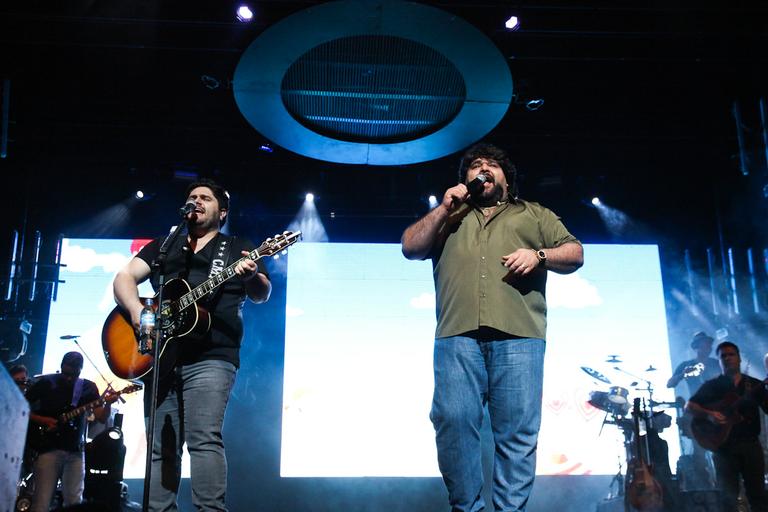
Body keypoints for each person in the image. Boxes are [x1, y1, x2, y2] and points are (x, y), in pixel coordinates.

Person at [401, 142, 583, 512]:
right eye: (475, 166)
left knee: (517, 433)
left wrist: (539, 255)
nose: (483, 170)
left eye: (492, 165)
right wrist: (443, 208)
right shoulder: (450, 217)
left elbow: (575, 253)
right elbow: (410, 247)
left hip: (519, 336)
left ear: (506, 178)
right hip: (457, 335)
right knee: (452, 420)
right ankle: (466, 509)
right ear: (465, 179)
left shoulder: (533, 214)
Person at [113, 178, 271, 511]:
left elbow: (262, 293)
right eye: (192, 197)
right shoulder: (167, 244)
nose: (197, 201)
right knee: (161, 446)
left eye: (206, 198)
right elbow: (124, 277)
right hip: (160, 357)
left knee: (203, 439)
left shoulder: (237, 246)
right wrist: (139, 312)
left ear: (222, 211)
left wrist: (250, 276)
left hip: (212, 355)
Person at [686, 341, 768, 512]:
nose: (728, 358)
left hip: (750, 445)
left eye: (731, 354)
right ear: (719, 360)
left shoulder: (753, 384)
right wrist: (710, 414)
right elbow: (689, 406)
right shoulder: (713, 385)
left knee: (758, 496)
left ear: (739, 358)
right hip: (724, 448)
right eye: (723, 356)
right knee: (727, 499)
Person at [25, 352, 110, 512]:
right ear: (61, 367)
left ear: (80, 370)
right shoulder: (46, 383)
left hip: (75, 452)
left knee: (75, 502)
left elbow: (102, 418)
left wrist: (108, 403)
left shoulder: (87, 387)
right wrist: (42, 420)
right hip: (48, 449)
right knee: (42, 503)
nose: (69, 378)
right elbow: (21, 407)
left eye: (74, 374)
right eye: (66, 373)